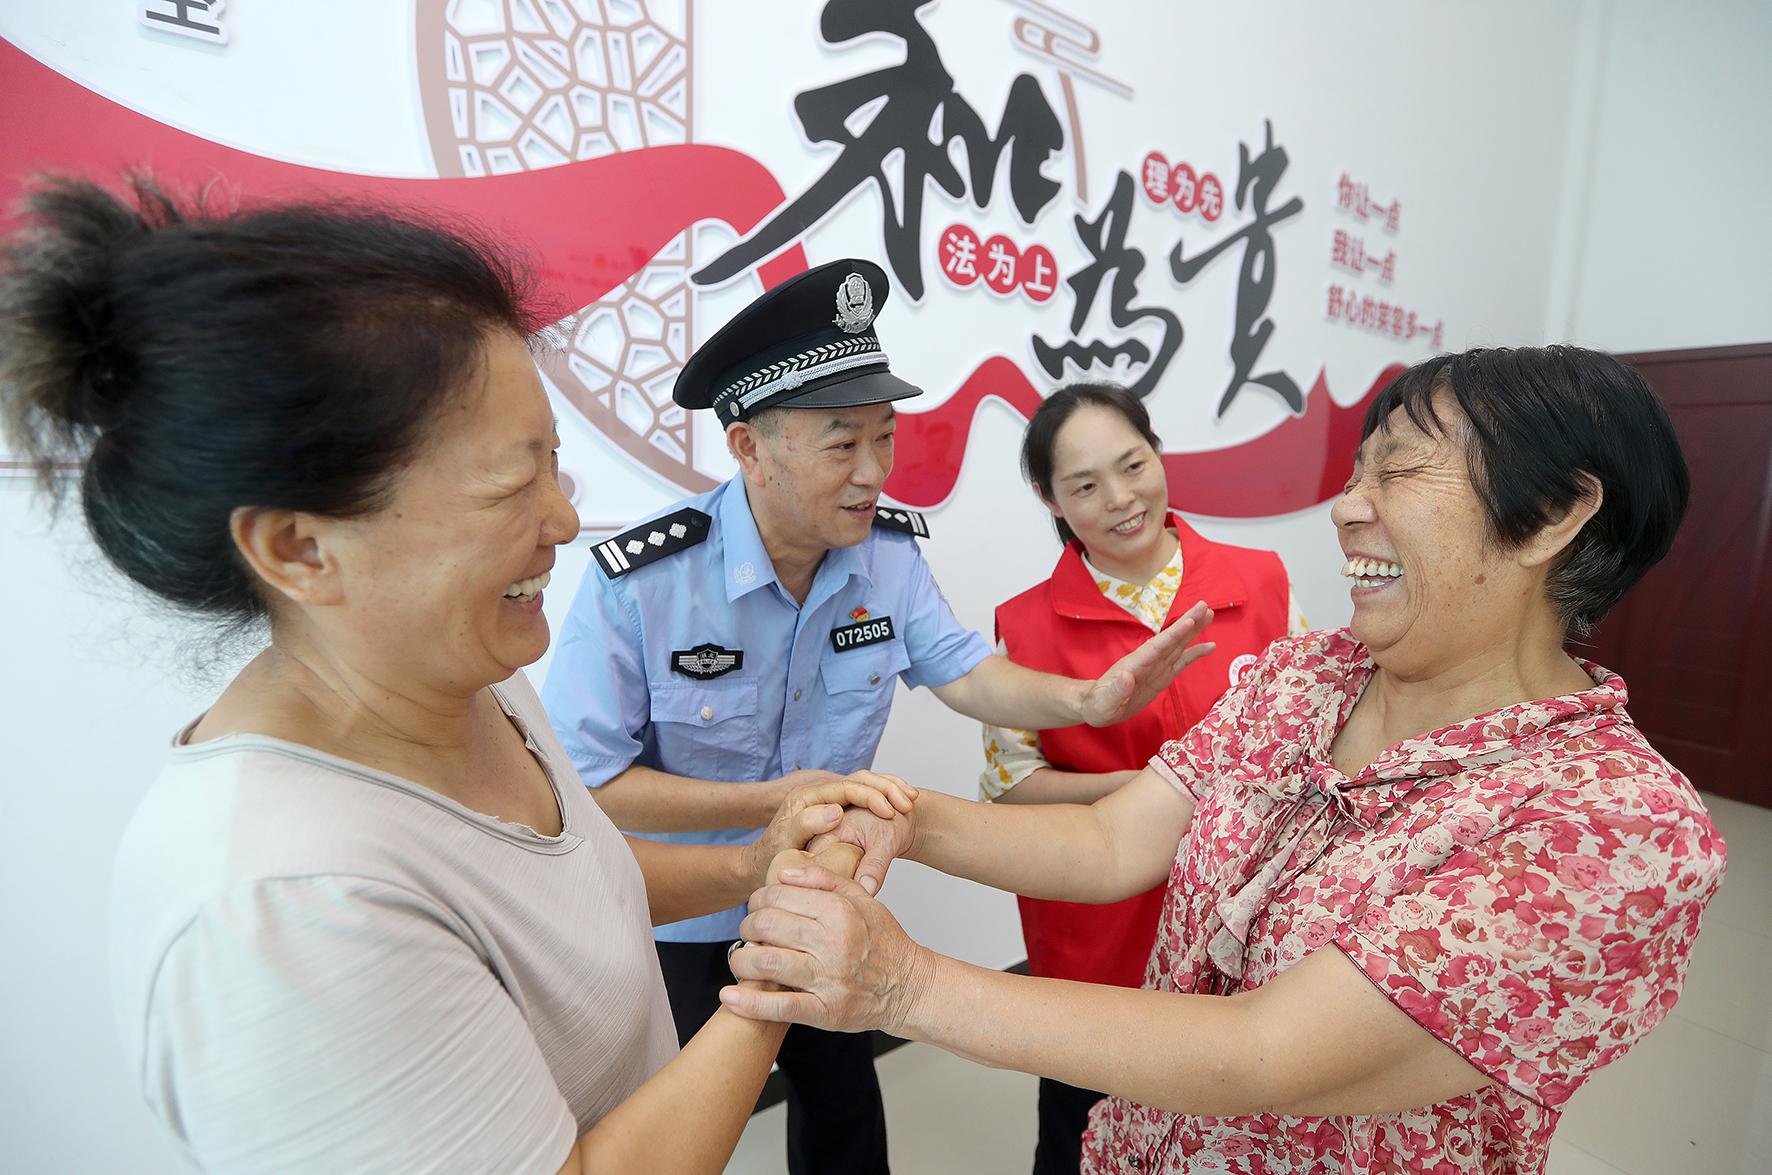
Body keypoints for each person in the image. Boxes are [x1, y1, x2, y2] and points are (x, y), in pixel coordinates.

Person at [0, 175, 915, 1174]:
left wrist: (757, 869)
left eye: (553, 462)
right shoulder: (283, 910)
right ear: (300, 547)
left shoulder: (471, 680)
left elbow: (574, 887)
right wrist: (779, 973)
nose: (564, 519)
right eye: (510, 481)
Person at [726, 346, 1730, 1173]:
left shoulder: (1612, 825)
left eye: (1398, 471)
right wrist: (908, 817)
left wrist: (904, 985)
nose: (1346, 507)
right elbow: (1111, 838)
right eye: (1356, 472)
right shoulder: (1305, 677)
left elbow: (1261, 1051)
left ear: (1552, 516)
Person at [542, 258, 1215, 1175]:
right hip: (678, 921)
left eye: (884, 438)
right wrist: (776, 801)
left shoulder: (887, 555)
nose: (873, 473)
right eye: (840, 445)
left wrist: (1085, 700)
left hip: (825, 891)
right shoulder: (646, 583)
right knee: (672, 1139)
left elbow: (964, 671)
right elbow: (589, 783)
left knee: (845, 1121)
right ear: (748, 447)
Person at [982, 381, 1306, 1174]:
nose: (1121, 499)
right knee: (1080, 1127)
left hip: (1244, 916)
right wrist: (1152, 786)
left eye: (1132, 465)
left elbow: (1311, 731)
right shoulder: (1024, 624)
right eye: (1085, 485)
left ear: (1157, 453)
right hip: (1096, 924)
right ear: (1050, 499)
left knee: (1232, 1129)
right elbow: (1011, 785)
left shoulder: (1262, 579)